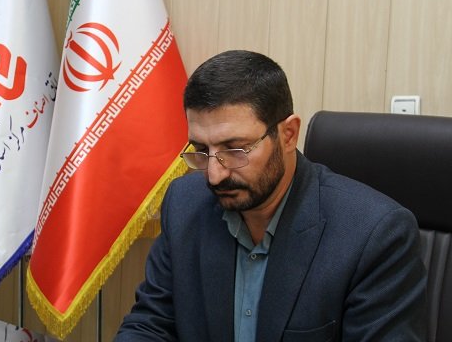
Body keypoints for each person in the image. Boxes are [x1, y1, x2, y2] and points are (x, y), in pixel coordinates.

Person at [115, 50, 426, 341]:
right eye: (201, 150)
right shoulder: (185, 204)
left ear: (288, 135)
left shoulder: (374, 235)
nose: (214, 175)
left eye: (234, 150)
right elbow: (151, 324)